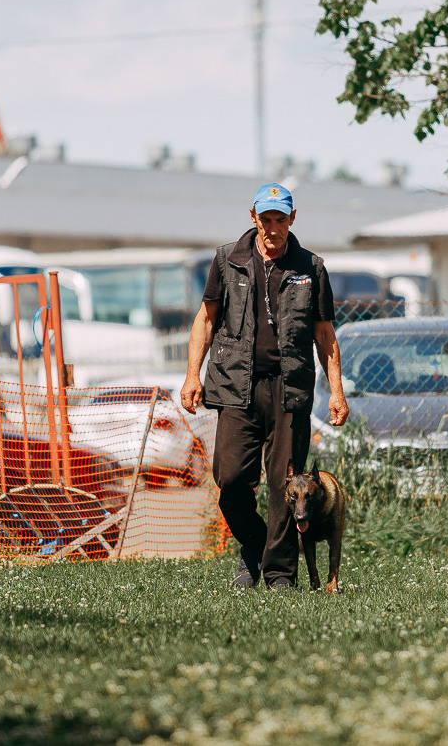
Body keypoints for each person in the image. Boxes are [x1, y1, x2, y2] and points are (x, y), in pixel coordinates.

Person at [181, 183, 349, 590]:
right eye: (266, 218)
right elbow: (205, 320)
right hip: (235, 385)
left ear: (292, 219)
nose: (273, 227)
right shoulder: (228, 259)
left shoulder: (312, 267)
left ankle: (279, 574)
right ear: (253, 216)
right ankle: (254, 545)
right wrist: (191, 375)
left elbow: (325, 334)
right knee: (231, 479)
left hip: (289, 390)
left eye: (280, 219)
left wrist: (337, 391)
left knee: (284, 485)